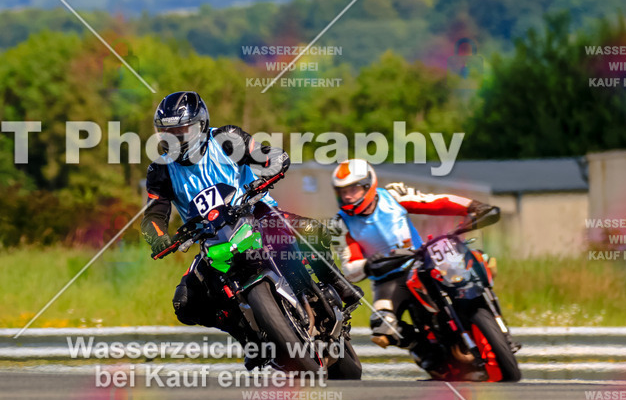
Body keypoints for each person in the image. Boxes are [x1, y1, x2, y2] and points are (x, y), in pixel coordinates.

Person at [140, 92, 363, 362]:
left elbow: (263, 156)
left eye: (181, 131)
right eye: (168, 133)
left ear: (200, 125)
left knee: (310, 231)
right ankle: (249, 338)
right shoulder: (160, 170)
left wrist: (273, 165)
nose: (175, 139)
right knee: (185, 303)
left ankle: (335, 283)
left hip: (255, 213)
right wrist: (159, 238)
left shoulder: (226, 138)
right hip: (211, 238)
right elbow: (153, 216)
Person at [327, 158, 499, 368]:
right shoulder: (339, 223)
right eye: (342, 191)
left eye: (352, 189)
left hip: (421, 260)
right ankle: (422, 350)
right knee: (382, 326)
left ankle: (489, 314)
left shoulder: (393, 196)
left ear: (367, 185)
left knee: (475, 263)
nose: (347, 196)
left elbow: (436, 202)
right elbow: (348, 267)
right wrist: (369, 264)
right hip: (386, 278)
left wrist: (474, 207)